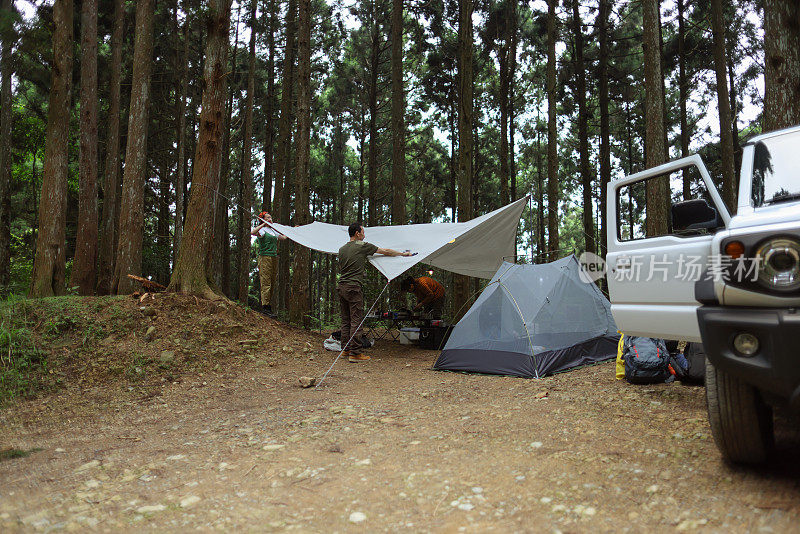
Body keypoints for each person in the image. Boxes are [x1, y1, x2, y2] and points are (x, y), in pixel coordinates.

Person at [339, 223, 413, 362]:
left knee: (346, 320)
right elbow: (385, 251)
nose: (364, 235)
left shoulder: (342, 249)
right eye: (363, 232)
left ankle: (345, 349)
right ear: (357, 233)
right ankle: (355, 353)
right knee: (356, 320)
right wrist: (403, 254)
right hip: (354, 287)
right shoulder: (362, 246)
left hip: (341, 287)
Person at [251, 212, 287, 315]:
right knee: (266, 281)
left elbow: (283, 237)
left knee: (272, 281)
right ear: (262, 219)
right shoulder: (262, 230)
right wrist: (263, 223)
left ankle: (268, 305)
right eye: (267, 217)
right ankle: (265, 306)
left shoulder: (272, 231)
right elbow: (253, 232)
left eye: (271, 217)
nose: (270, 219)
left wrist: (293, 230)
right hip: (265, 257)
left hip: (274, 257)